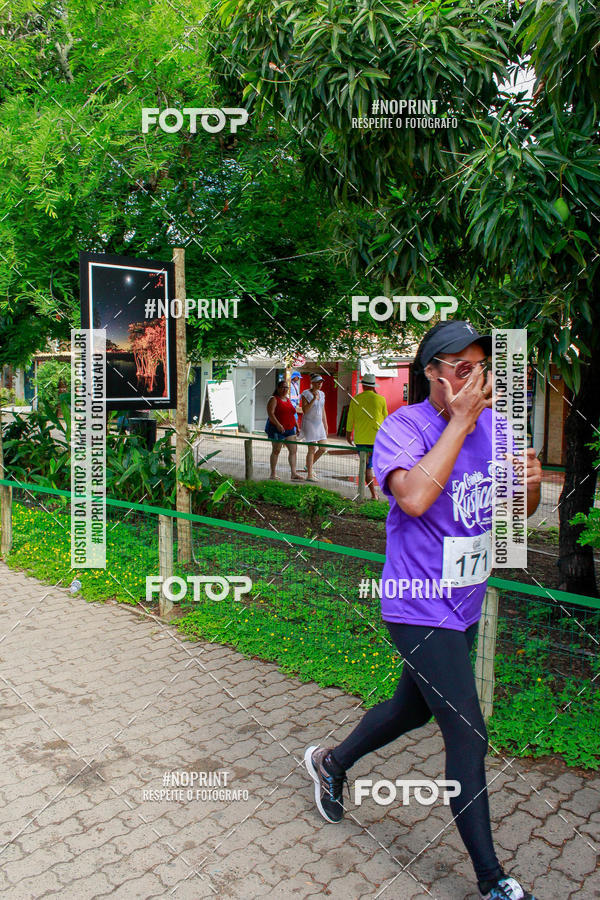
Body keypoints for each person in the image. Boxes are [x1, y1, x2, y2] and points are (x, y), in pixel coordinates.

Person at [304, 321, 542, 900]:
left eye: (477, 367)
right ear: (430, 372)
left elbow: (518, 513)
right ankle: (494, 880)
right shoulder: (403, 426)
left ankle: (332, 761)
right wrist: (459, 422)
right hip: (416, 601)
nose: (469, 379)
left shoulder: (501, 426)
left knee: (413, 708)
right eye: (456, 368)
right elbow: (412, 498)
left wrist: (531, 485)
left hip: (464, 601)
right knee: (468, 731)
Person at [345, 373, 388, 499]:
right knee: (379, 465)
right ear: (373, 386)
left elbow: (349, 419)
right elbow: (386, 420)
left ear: (363, 385)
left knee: (366, 467)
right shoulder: (381, 399)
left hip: (361, 439)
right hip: (377, 438)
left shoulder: (356, 399)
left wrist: (348, 435)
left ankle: (373, 493)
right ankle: (385, 492)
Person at [265, 379, 304, 481]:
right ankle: (273, 473)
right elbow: (271, 414)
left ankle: (294, 473)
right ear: (278, 388)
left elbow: (292, 414)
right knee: (276, 450)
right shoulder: (274, 399)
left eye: (286, 387)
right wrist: (278, 424)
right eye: (282, 387)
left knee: (293, 450)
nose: (284, 389)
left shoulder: (288, 400)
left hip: (290, 429)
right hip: (277, 429)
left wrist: (297, 426)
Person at [300, 374, 329, 482]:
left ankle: (308, 466)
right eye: (317, 382)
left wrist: (325, 425)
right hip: (309, 423)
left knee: (323, 448)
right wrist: (313, 399)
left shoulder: (322, 394)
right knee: (312, 448)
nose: (319, 384)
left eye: (321, 382)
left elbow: (323, 410)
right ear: (312, 383)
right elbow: (305, 410)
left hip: (318, 423)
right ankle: (309, 475)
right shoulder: (305, 393)